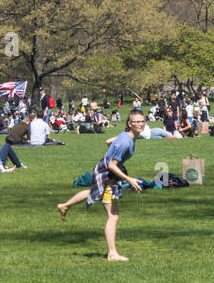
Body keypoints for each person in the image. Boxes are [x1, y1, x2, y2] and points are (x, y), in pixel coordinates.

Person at [56, 110, 146, 260]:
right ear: (129, 124)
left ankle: (65, 206)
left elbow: (108, 142)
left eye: (142, 121)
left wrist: (112, 152)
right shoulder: (125, 141)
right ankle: (112, 254)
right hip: (108, 172)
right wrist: (129, 179)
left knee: (95, 193)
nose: (140, 124)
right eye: (136, 122)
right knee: (113, 216)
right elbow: (112, 164)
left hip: (106, 169)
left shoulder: (126, 136)